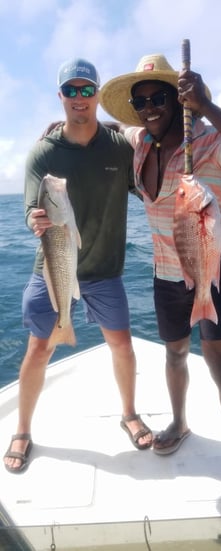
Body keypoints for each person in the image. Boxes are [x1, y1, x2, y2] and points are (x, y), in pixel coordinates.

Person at [99, 53, 221, 506]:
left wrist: (207, 107)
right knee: (174, 356)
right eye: (142, 102)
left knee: (220, 365)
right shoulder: (139, 141)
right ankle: (179, 422)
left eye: (159, 97)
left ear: (180, 100)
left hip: (210, 269)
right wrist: (59, 133)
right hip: (164, 276)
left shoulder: (211, 145)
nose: (149, 107)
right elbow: (113, 129)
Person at [3, 57, 153, 474]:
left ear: (98, 95)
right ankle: (23, 430)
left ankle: (128, 413)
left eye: (87, 90)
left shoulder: (119, 147)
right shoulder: (43, 152)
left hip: (104, 269)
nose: (80, 98)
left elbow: (148, 188)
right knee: (38, 349)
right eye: (72, 90)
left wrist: (126, 131)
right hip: (51, 267)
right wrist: (34, 218)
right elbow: (32, 210)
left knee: (122, 344)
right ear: (61, 97)